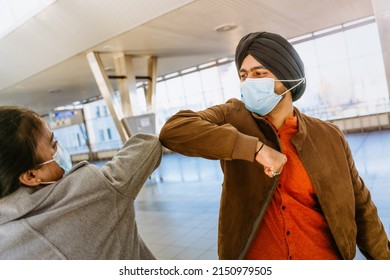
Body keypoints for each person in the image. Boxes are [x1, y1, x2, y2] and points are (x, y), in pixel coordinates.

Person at [159, 31, 390, 260]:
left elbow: (363, 210)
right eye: (243, 75)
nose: (249, 82)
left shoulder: (329, 136)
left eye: (260, 73)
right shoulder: (233, 116)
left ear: (287, 77)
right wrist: (255, 149)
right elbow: (174, 130)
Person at [0, 106, 162, 259]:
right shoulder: (89, 190)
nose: (59, 148)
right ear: (30, 175)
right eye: (53, 144)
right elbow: (145, 149)